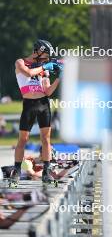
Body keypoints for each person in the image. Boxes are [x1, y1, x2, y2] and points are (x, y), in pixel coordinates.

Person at [10, 39, 63, 184]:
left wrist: (58, 78)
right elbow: (27, 73)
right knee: (23, 139)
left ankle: (46, 172)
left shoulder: (43, 68)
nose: (47, 58)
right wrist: (45, 66)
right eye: (45, 54)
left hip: (43, 104)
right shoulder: (20, 62)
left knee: (46, 140)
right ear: (37, 51)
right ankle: (16, 171)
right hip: (29, 104)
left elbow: (48, 91)